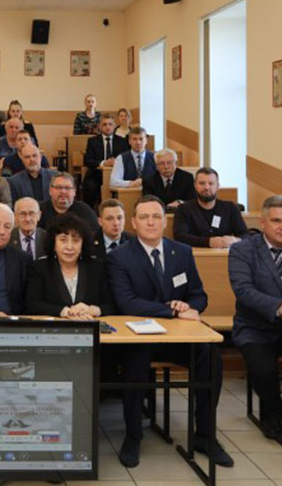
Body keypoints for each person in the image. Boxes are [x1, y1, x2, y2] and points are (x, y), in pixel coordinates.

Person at [107, 195, 233, 469]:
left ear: (165, 221)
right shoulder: (119, 257)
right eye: (144, 217)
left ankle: (205, 436)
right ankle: (133, 436)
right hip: (138, 339)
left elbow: (199, 295)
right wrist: (172, 310)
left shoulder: (182, 252)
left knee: (211, 357)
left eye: (156, 217)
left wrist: (190, 306)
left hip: (178, 338)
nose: (151, 222)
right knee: (135, 365)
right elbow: (127, 302)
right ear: (133, 222)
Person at [229, 195, 282, 439]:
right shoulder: (242, 250)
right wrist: (281, 307)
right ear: (263, 223)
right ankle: (273, 412)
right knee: (263, 372)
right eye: (277, 221)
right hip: (255, 328)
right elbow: (244, 291)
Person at [25, 213, 116, 317]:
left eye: (76, 240)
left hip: (90, 323)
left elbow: (112, 305)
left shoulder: (97, 268)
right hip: (55, 326)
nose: (69, 247)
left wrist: (94, 310)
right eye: (63, 240)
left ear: (83, 244)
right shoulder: (40, 268)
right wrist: (64, 311)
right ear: (53, 243)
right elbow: (31, 305)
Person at [173, 167, 247, 248]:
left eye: (211, 183)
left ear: (218, 186)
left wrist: (236, 240)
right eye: (202, 183)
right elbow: (180, 237)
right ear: (195, 185)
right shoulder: (183, 209)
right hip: (195, 254)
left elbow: (246, 235)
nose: (206, 187)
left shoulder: (230, 208)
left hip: (224, 254)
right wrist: (208, 242)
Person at [82, 113, 129, 207]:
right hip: (96, 174)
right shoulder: (92, 141)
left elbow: (126, 159)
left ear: (114, 126)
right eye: (104, 124)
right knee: (90, 187)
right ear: (99, 126)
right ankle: (90, 211)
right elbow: (87, 160)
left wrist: (116, 162)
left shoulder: (122, 141)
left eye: (110, 124)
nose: (108, 127)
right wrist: (104, 163)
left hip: (117, 174)